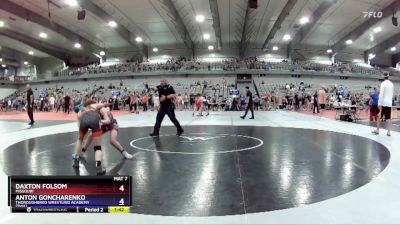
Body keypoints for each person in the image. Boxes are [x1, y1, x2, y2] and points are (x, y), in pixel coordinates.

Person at [73, 101, 111, 175]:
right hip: (94, 119)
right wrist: (107, 104)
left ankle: (76, 162)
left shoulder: (79, 113)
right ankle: (98, 168)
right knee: (97, 147)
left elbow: (79, 128)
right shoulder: (93, 105)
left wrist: (82, 138)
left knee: (79, 140)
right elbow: (103, 104)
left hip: (83, 121)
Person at [373, 72, 394, 136]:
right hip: (389, 103)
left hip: (383, 102)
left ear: (383, 76)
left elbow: (381, 94)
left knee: (379, 116)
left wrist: (379, 103)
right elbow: (392, 94)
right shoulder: (391, 84)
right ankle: (389, 132)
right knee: (388, 117)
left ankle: (377, 130)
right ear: (388, 76)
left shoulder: (383, 84)